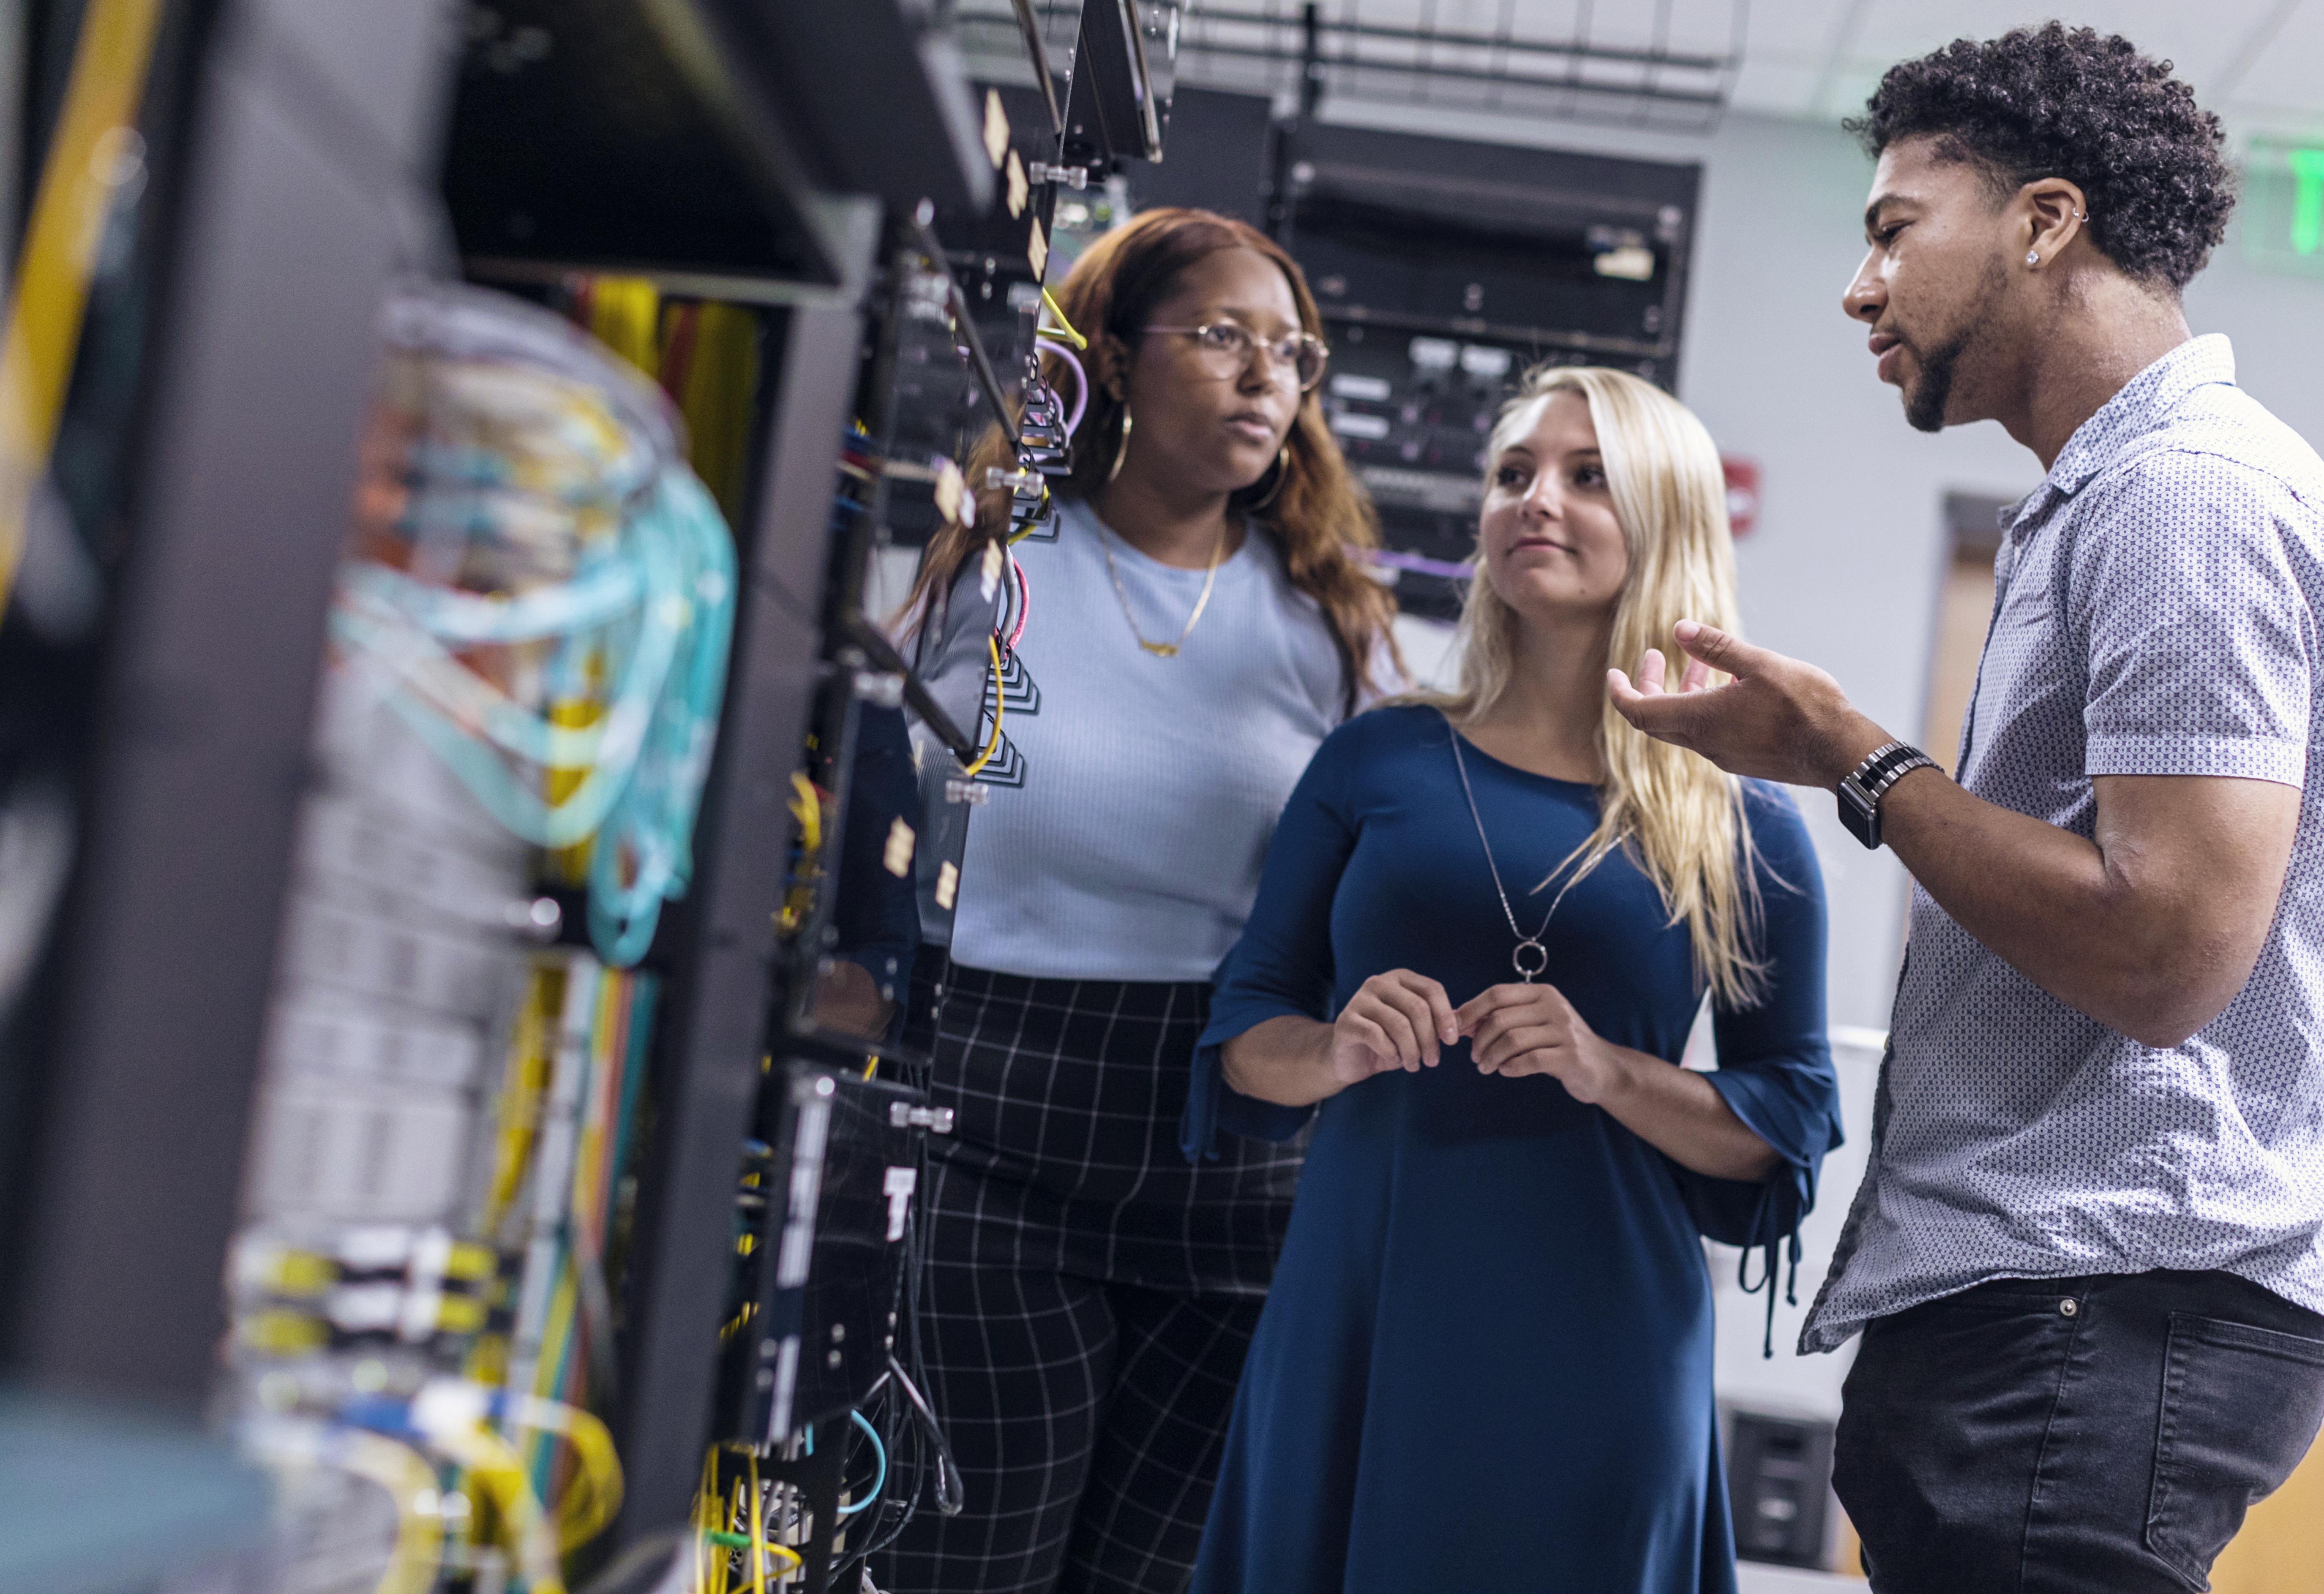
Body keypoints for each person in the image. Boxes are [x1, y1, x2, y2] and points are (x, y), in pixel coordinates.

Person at [1607, 25, 2324, 1594]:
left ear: (2042, 221)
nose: (1860, 288)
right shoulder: (2102, 497)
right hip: (2059, 1307)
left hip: (2097, 1302)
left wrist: (1852, 758)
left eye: (1889, 231)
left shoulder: (2183, 496)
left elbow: (2166, 954)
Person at [1185, 365, 1844, 1593]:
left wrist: (1607, 1070)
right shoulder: (1377, 757)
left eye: (1588, 477)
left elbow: (1785, 1125)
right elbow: (1243, 1030)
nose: (1537, 500)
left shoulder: (1746, 823)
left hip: (1598, 1338)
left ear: (1666, 521)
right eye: (1513, 474)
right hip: (1362, 1312)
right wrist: (1331, 1048)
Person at [876, 208, 1401, 1594]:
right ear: (1110, 356)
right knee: (965, 1561)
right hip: (996, 1121)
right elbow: (867, 814)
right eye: (1220, 335)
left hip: (1236, 1144)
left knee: (1155, 1578)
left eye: (1289, 353)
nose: (1262, 377)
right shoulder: (993, 571)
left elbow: (1376, 881)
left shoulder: (1329, 621)